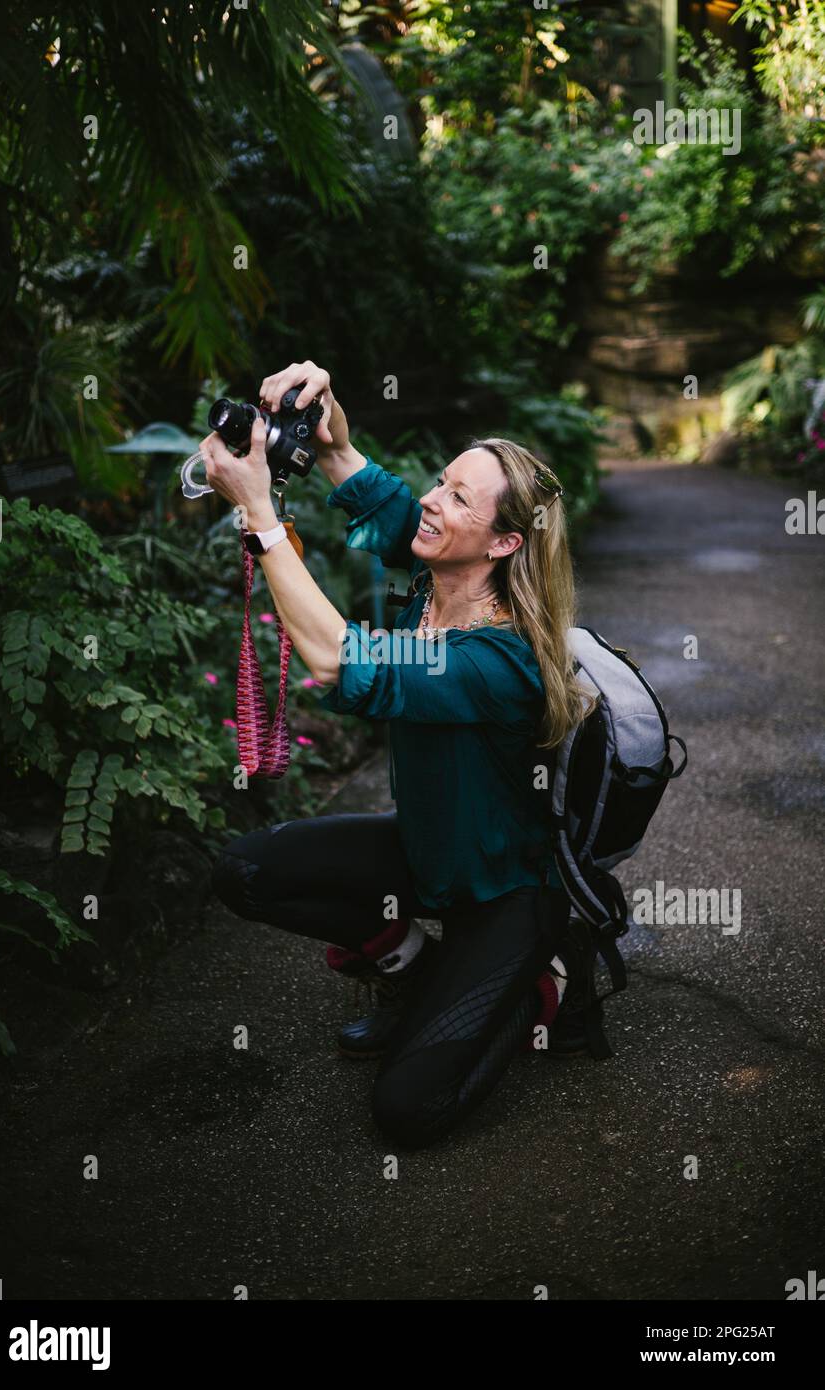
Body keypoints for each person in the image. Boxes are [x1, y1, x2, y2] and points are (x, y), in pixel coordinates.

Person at [203, 360, 596, 1150]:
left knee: (408, 1109)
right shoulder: (436, 574)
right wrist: (325, 429)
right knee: (242, 870)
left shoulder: (496, 658)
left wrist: (258, 514)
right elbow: (371, 488)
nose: (431, 499)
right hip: (425, 853)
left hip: (499, 893)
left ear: (506, 542)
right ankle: (413, 968)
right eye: (442, 480)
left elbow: (336, 659)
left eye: (457, 496)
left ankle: (532, 991)